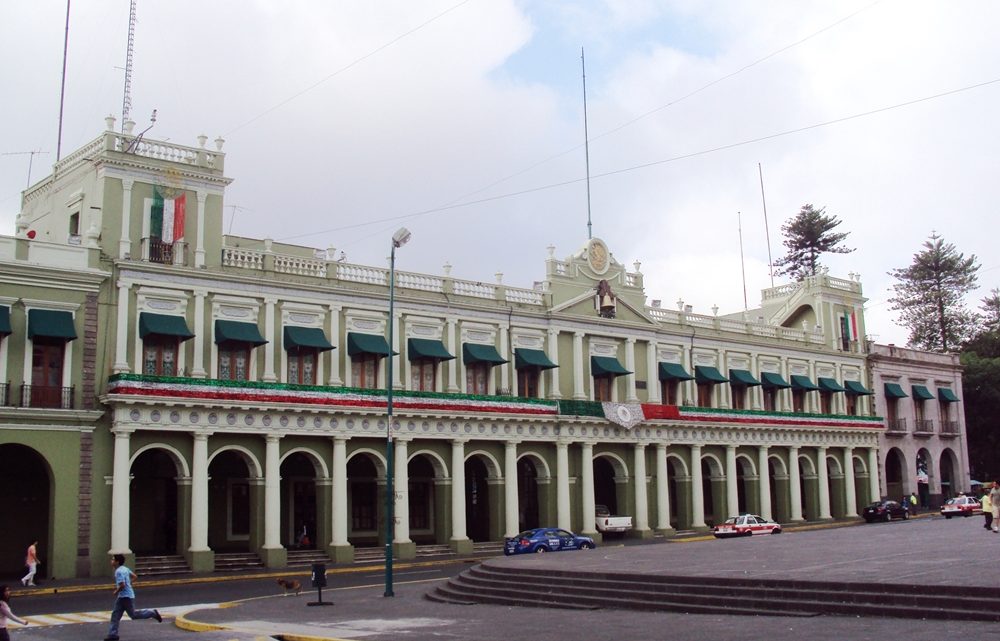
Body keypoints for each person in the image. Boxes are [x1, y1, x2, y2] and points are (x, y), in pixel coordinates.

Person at [105, 554, 161, 641]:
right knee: (115, 615)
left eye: (113, 560)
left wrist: (116, 591)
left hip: (126, 597)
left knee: (133, 615)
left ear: (117, 562)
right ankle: (113, 635)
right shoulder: (125, 569)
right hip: (124, 596)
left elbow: (122, 585)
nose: (111, 561)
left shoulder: (118, 572)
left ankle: (153, 613)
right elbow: (135, 576)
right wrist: (129, 583)